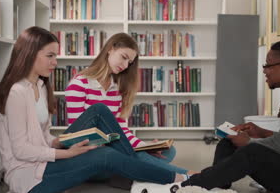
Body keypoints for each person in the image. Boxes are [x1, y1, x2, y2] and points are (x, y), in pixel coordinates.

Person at [131, 39, 280, 193]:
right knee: (229, 143)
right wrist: (260, 132)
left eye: (268, 65)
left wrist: (250, 141)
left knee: (252, 152)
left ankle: (179, 189)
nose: (264, 70)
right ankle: (215, 188)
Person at [0, 26, 189, 193]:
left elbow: (43, 136)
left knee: (144, 150)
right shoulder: (16, 93)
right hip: (29, 177)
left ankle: (159, 174)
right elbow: (21, 150)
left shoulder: (40, 87)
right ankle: (183, 179)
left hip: (47, 162)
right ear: (29, 53)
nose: (55, 62)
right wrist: (67, 153)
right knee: (104, 140)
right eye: (50, 56)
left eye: (56, 56)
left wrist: (59, 143)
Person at [64, 32, 194, 177]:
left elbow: (122, 131)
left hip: (115, 150)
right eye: (124, 57)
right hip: (91, 154)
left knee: (168, 151)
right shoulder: (79, 84)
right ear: (111, 49)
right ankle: (187, 176)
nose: (125, 66)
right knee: (131, 155)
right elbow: (76, 134)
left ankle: (128, 174)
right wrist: (119, 146)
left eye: (129, 62)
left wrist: (146, 147)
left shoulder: (117, 89)